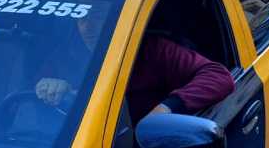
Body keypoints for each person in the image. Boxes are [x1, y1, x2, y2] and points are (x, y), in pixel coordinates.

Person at [36, 14, 235, 123]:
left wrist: (168, 107)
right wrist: (47, 86)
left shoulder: (153, 50)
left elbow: (219, 77)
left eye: (97, 17)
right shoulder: (64, 54)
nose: (88, 27)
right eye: (82, 19)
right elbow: (26, 99)